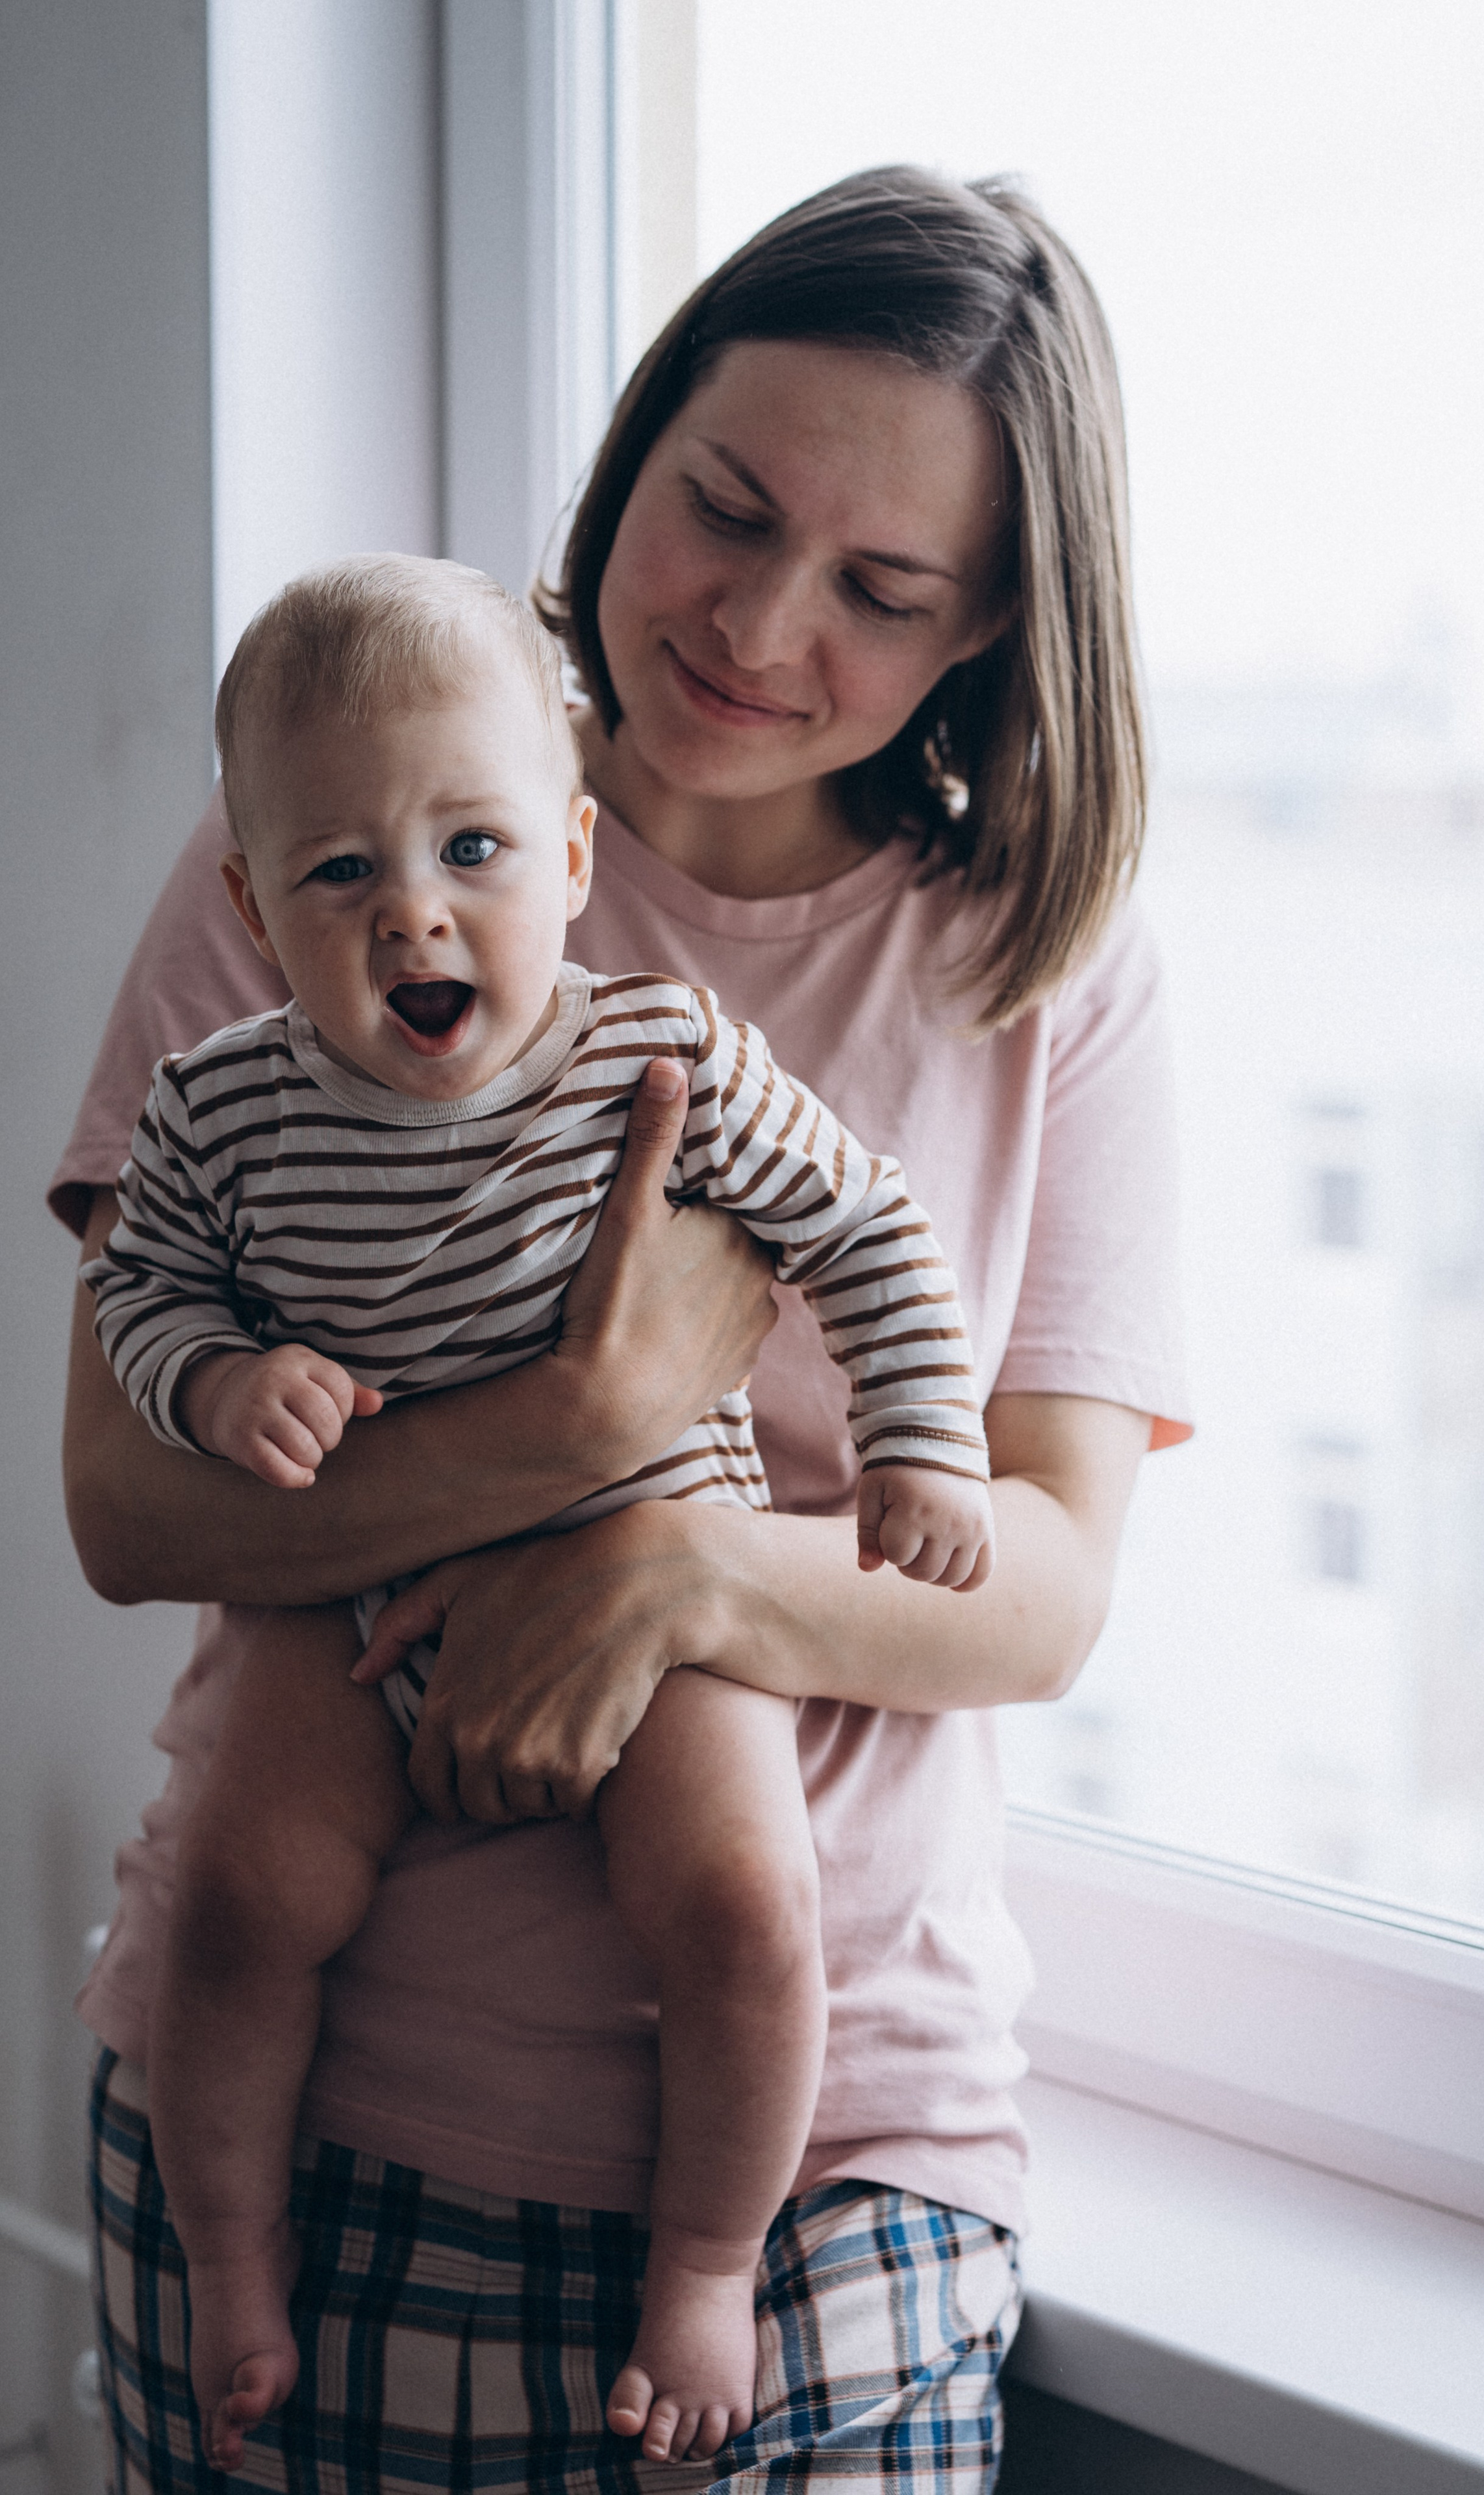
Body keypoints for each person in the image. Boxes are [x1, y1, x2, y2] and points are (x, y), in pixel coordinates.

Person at [58, 167, 1192, 2491]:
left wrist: (664, 1571)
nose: (764, 627)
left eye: (883, 592)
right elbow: (119, 1496)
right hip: (307, 2079)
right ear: (636, 440)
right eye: (728, 508)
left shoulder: (1040, 963)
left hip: (829, 2136)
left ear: (992, 627)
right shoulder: (349, 814)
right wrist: (593, 1410)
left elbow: (1050, 1587)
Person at [86, 550, 994, 2472]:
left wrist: (923, 1440)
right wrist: (228, 1380)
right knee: (244, 1910)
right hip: (355, 1586)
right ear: (253, 908)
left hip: (661, 1559)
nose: (413, 908)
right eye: (339, 874)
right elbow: (145, 1303)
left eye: (472, 849)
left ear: (571, 858)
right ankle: (235, 2262)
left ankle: (702, 2263)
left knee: (745, 1903)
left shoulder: (652, 1053)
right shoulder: (222, 1112)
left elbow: (867, 1226)